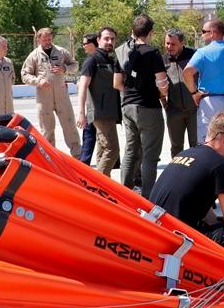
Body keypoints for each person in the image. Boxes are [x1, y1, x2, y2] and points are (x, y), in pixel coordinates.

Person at [149, 111, 224, 261]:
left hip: (155, 230)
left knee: (217, 223)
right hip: (179, 237)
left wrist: (216, 223)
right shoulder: (222, 165)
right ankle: (214, 275)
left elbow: (193, 203)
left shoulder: (185, 153)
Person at [119, 15, 168, 196]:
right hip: (147, 106)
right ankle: (147, 196)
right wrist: (163, 94)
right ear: (150, 33)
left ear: (133, 32)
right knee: (150, 155)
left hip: (127, 105)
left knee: (131, 150)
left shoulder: (123, 51)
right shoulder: (152, 52)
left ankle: (124, 192)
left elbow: (117, 83)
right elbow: (162, 81)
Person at [20, 27, 80, 157]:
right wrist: (38, 81)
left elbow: (74, 65)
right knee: (47, 130)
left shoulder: (61, 52)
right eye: (44, 39)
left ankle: (77, 155)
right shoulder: (34, 56)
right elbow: (24, 75)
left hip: (62, 96)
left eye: (49, 38)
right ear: (38, 39)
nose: (47, 41)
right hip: (44, 98)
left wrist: (64, 68)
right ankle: (50, 157)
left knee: (70, 126)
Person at [76, 27, 124, 177]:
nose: (110, 41)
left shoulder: (110, 58)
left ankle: (102, 187)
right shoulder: (92, 60)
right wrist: (81, 113)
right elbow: (82, 86)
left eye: (112, 39)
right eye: (106, 38)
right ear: (98, 40)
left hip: (109, 112)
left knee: (103, 149)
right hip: (100, 113)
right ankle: (99, 183)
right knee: (113, 149)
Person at [162, 28, 198, 158]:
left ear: (182, 43)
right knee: (176, 147)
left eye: (173, 44)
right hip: (174, 110)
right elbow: (159, 84)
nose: (169, 47)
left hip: (195, 110)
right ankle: (177, 175)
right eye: (167, 43)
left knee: (197, 145)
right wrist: (165, 104)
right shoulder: (163, 60)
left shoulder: (194, 56)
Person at [77, 33, 100, 164]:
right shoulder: (104, 58)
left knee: (89, 133)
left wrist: (81, 113)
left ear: (93, 44)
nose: (83, 46)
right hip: (103, 105)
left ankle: (84, 162)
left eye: (85, 43)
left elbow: (84, 86)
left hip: (94, 106)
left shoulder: (91, 60)